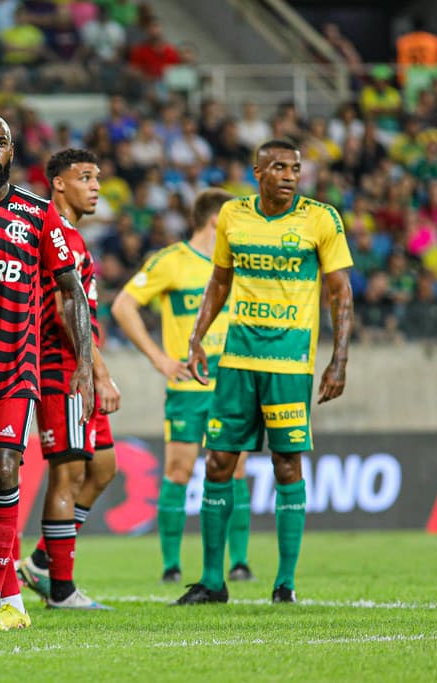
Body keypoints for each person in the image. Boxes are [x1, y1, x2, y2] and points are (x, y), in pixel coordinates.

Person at [175, 139, 353, 605]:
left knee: (286, 463)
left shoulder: (321, 218)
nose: (290, 174)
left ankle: (285, 583)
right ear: (258, 172)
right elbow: (220, 281)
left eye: (295, 167)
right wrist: (197, 337)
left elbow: (341, 293)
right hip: (236, 361)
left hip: (291, 364)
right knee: (217, 461)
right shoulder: (234, 215)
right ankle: (213, 581)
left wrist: (340, 358)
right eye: (278, 167)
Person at [0, 114, 95, 630]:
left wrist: (87, 366)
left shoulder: (38, 213)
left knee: (7, 470)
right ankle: (6, 592)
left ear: (11, 151)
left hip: (14, 370)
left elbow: (71, 291)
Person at [112, 188, 257, 584]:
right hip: (188, 388)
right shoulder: (171, 262)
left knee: (237, 470)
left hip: (231, 384)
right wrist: (159, 359)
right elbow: (123, 305)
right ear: (216, 221)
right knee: (178, 471)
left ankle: (239, 563)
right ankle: (171, 566)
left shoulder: (239, 264)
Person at [17, 149, 121, 609]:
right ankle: (61, 588)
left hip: (78, 364)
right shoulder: (53, 232)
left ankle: (41, 560)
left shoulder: (74, 236)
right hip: (63, 367)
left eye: (97, 177)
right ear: (58, 184)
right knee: (68, 469)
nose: (95, 185)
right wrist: (98, 370)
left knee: (103, 468)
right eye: (84, 177)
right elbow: (63, 309)